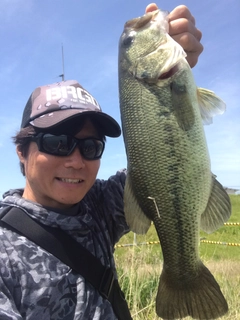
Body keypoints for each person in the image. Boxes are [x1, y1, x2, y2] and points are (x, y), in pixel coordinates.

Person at [0, 3, 203, 320]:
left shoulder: (98, 207)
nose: (76, 161)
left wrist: (177, 75)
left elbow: (161, 166)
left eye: (92, 147)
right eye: (58, 142)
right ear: (21, 151)